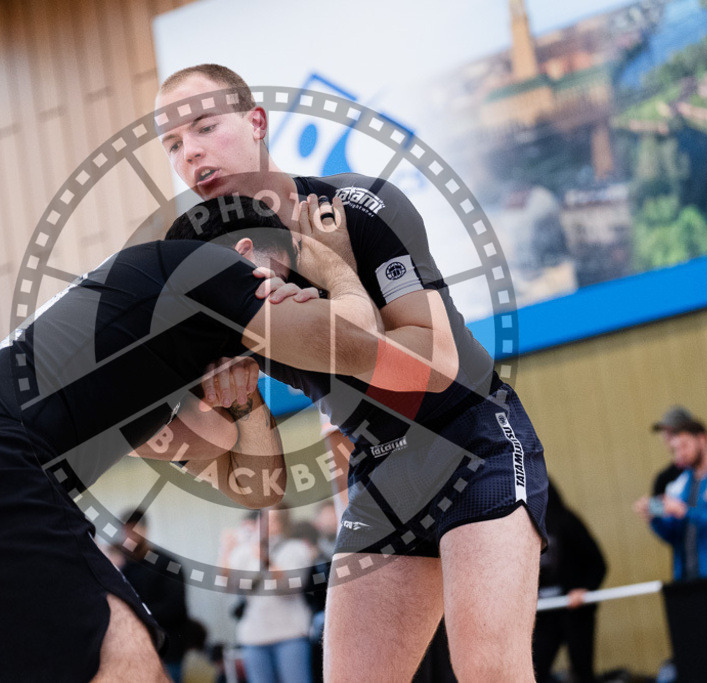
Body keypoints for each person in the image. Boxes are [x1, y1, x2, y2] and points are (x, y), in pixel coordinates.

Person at [0, 194, 420, 682]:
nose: (295, 294)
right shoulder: (214, 267)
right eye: (289, 278)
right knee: (129, 668)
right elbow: (359, 342)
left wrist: (246, 397)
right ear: (247, 251)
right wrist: (328, 260)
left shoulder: (137, 347)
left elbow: (259, 487)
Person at [156, 64, 549, 681]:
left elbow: (438, 369)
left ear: (257, 122)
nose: (191, 152)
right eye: (173, 144)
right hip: (381, 467)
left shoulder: (360, 207)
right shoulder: (211, 276)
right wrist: (240, 406)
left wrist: (338, 280)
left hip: (470, 438)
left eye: (204, 126)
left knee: (490, 672)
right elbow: (257, 481)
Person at [634, 406, 707, 581]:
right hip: (688, 579)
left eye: (684, 446)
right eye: (675, 449)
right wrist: (654, 515)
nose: (680, 454)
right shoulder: (679, 485)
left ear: (702, 440)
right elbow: (674, 534)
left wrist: (684, 511)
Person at [219, 506, 315, 683]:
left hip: (291, 634)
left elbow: (291, 585)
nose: (266, 525)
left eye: (273, 520)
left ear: (283, 522)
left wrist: (265, 559)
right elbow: (227, 585)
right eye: (263, 520)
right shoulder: (245, 552)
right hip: (254, 636)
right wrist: (226, 551)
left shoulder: (295, 548)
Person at [532, 480, 607, 683]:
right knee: (535, 670)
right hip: (543, 615)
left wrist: (584, 589)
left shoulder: (567, 521)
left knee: (582, 671)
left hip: (575, 611)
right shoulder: (521, 528)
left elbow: (597, 563)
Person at [117, 508, 189, 682]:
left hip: (168, 649)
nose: (130, 536)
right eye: (126, 531)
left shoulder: (168, 564)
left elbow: (175, 607)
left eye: (134, 529)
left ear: (145, 530)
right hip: (137, 651)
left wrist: (139, 617)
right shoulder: (124, 568)